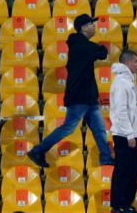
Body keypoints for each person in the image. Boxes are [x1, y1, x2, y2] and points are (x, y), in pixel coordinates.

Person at [28, 14, 113, 168]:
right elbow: (102, 52)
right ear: (83, 28)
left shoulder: (80, 45)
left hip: (87, 96)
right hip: (80, 96)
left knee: (99, 128)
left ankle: (106, 158)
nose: (94, 26)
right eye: (90, 24)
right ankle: (37, 150)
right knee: (68, 127)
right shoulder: (82, 45)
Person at [110, 50, 137, 213]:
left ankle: (126, 204)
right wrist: (130, 134)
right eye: (136, 61)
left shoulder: (129, 81)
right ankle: (118, 205)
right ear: (128, 63)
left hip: (132, 135)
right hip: (124, 136)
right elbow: (121, 111)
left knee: (133, 171)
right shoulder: (121, 83)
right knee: (123, 172)